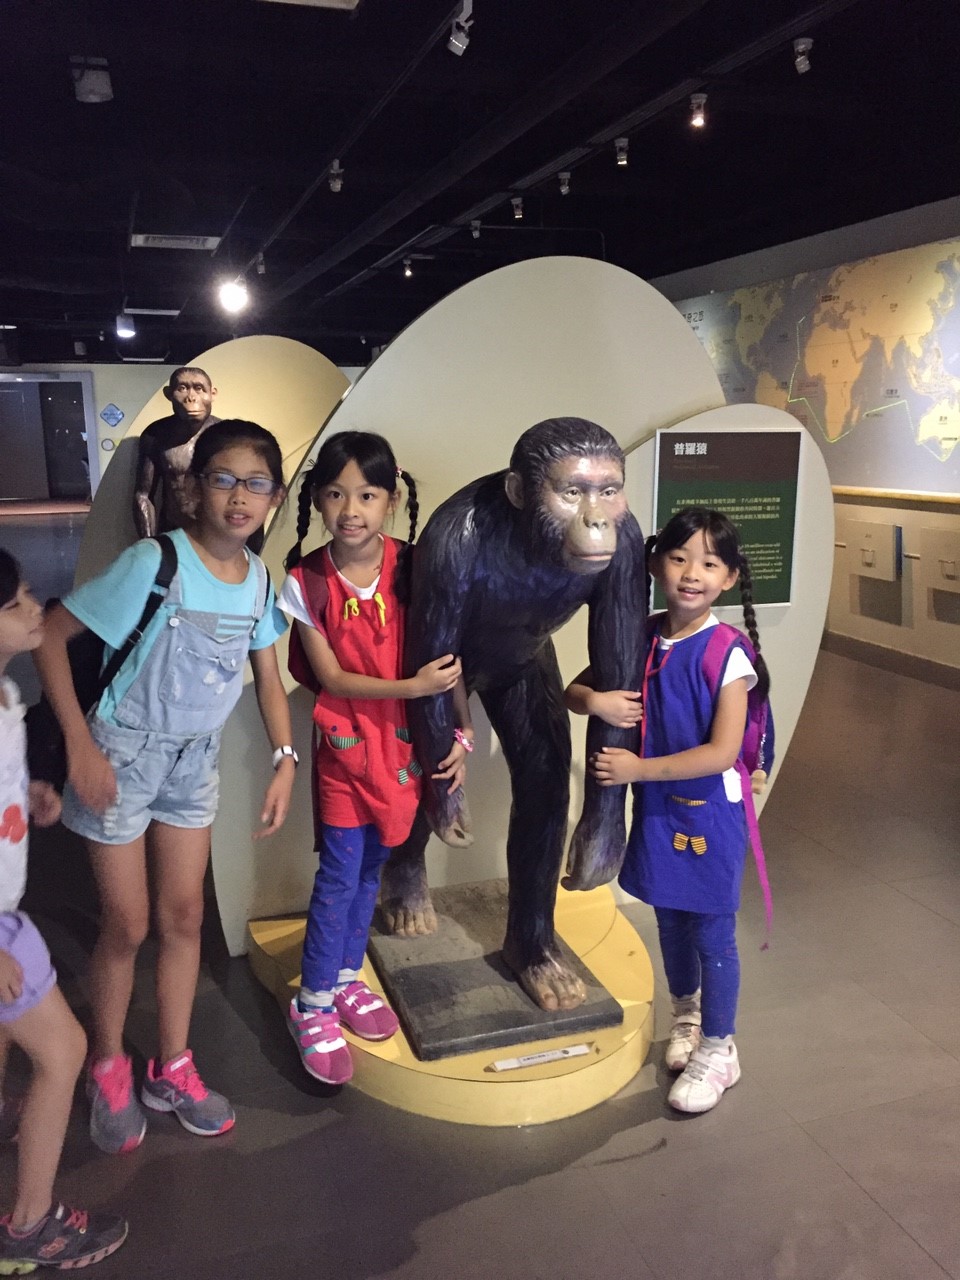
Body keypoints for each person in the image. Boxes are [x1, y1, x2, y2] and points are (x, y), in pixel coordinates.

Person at [34, 420, 296, 1153]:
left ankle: (171, 1066)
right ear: (193, 488)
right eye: (223, 479)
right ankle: (107, 1065)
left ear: (274, 499)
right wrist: (80, 746)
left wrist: (285, 758)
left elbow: (268, 677)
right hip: (121, 757)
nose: (239, 497)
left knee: (184, 917)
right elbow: (50, 638)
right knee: (126, 925)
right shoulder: (157, 561)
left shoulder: (260, 580)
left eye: (255, 484)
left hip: (194, 762)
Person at [279, 431, 470, 1085]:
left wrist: (462, 736)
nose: (350, 510)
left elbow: (451, 660)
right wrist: (413, 689)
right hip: (345, 749)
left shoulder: (417, 568)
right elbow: (331, 678)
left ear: (391, 499)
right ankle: (311, 1003)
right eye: (335, 494)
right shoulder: (304, 580)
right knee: (339, 874)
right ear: (317, 500)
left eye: (366, 495)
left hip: (403, 751)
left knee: (371, 872)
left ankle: (344, 978)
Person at [565, 506, 770, 1115]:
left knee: (712, 932)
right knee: (671, 920)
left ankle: (720, 1048)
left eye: (709, 563)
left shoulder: (727, 653)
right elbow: (573, 691)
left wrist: (637, 770)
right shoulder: (642, 636)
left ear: (729, 577)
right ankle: (687, 1015)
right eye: (679, 558)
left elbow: (721, 753)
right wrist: (599, 701)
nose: (691, 573)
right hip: (658, 810)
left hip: (708, 815)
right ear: (655, 564)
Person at [0, 548, 128, 1269]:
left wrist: (25, 798)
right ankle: (30, 1227)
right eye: (15, 601)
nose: (34, 607)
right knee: (65, 1050)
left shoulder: (7, 696)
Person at [133, 366, 220, 539]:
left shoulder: (226, 434)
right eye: (182, 388)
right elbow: (143, 496)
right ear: (169, 394)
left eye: (199, 388)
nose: (191, 397)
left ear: (212, 394)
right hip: (172, 531)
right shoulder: (156, 434)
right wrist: (148, 543)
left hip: (217, 535)